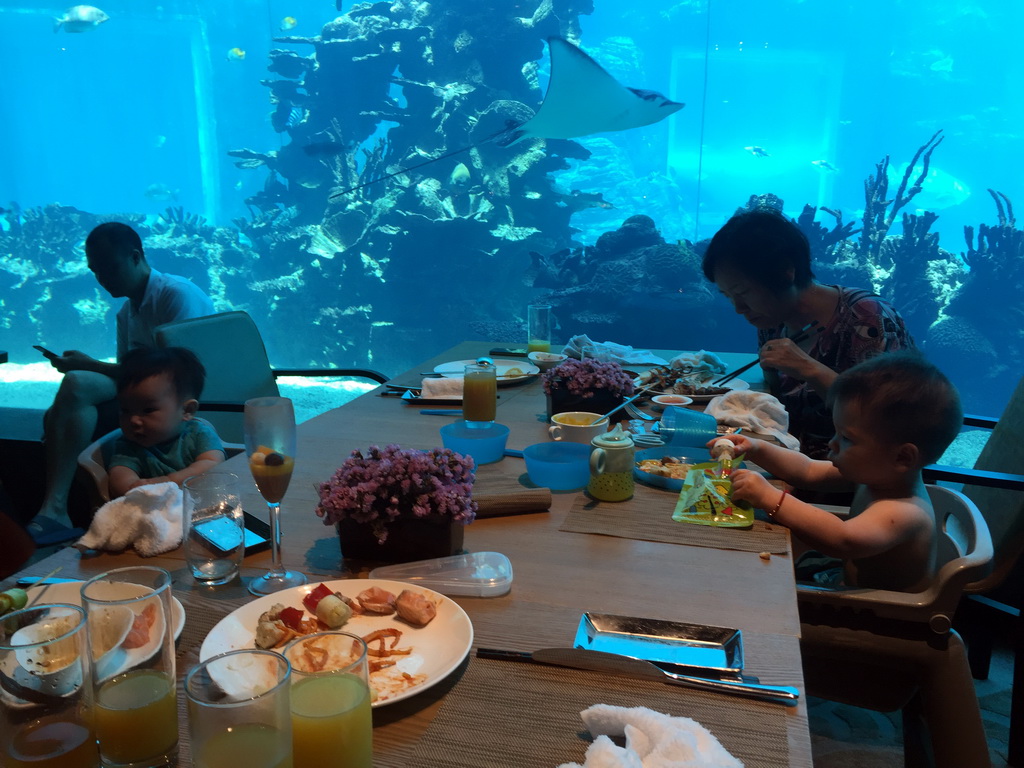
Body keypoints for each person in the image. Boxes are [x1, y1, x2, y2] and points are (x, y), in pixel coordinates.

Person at [710, 352, 962, 592]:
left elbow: (843, 539)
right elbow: (807, 470)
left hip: (882, 618)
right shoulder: (879, 475)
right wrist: (756, 448)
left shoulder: (904, 511)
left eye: (847, 438)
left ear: (902, 457)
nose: (832, 443)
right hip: (847, 581)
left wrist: (769, 497)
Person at [35, 222, 215, 528]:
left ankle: (59, 509)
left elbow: (179, 375)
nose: (102, 278)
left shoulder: (176, 295)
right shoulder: (126, 312)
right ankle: (57, 509)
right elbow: (130, 377)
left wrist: (89, 364)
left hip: (186, 396)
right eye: (95, 270)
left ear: (135, 257)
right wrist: (84, 367)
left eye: (109, 267)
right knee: (70, 394)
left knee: (73, 395)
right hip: (153, 397)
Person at [701, 209, 915, 459]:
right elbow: (780, 399)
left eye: (744, 293)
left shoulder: (868, 318)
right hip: (789, 458)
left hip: (856, 477)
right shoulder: (772, 320)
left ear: (785, 272)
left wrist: (809, 368)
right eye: (728, 297)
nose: (739, 308)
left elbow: (888, 421)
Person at [108, 346, 225, 498]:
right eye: (125, 410)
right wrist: (135, 488)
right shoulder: (129, 446)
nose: (134, 420)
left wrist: (169, 481)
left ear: (186, 411)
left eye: (148, 410)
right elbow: (120, 477)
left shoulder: (198, 433)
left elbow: (212, 464)